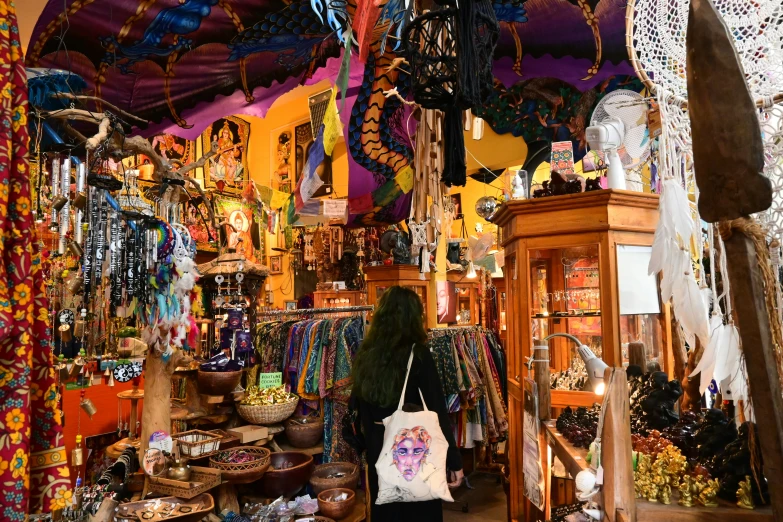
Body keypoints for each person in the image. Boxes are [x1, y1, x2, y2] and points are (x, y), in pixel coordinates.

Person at [350, 286, 463, 522]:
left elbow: (358, 409)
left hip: (380, 454)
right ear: (413, 318)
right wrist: (454, 460)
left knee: (386, 513)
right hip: (416, 456)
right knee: (421, 513)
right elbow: (437, 412)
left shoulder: (365, 355)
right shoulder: (419, 355)